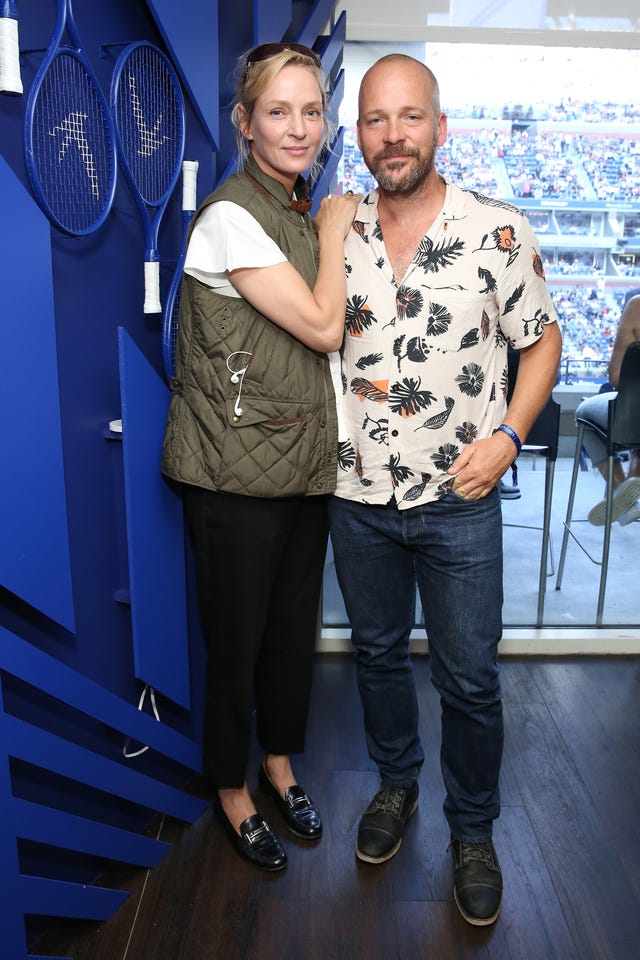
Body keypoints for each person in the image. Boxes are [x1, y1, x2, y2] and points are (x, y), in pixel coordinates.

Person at [328, 54, 562, 925]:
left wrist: (508, 436)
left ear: (440, 126)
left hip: (460, 503)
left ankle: (473, 831)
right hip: (356, 497)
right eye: (376, 120)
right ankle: (396, 786)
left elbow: (542, 341)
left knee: (468, 681)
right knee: (379, 657)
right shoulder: (336, 228)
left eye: (410, 117)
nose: (393, 136)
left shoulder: (499, 231)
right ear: (359, 134)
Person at [162, 43, 359, 872]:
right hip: (234, 477)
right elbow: (321, 328)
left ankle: (279, 767)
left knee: (289, 638)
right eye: (277, 111)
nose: (298, 127)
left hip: (300, 470)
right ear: (243, 123)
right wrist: (339, 232)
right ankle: (232, 791)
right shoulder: (233, 214)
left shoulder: (289, 208)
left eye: (311, 110)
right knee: (238, 643)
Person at [575, 288, 640, 526]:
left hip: (634, 416)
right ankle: (630, 498)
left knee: (583, 413)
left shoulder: (635, 306)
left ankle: (620, 494)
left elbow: (616, 378)